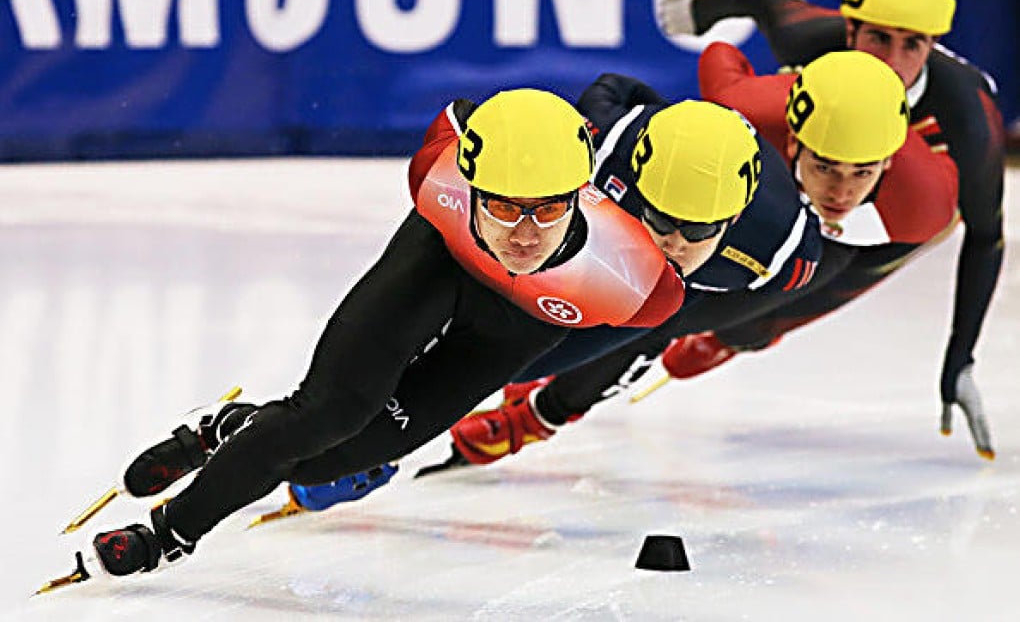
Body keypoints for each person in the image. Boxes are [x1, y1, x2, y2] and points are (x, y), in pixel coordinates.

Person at [64, 89, 690, 581]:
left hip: (509, 331)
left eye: (548, 207)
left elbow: (597, 349)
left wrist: (546, 398)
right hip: (440, 262)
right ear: (469, 183)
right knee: (327, 415)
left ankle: (229, 429)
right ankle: (169, 536)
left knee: (339, 460)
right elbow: (456, 114)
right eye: (502, 206)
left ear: (581, 194)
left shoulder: (636, 282)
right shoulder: (435, 176)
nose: (525, 233)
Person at [253, 87, 825, 516]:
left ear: (735, 220)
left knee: (571, 351)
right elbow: (612, 89)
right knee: (473, 320)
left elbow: (663, 327)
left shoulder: (782, 255)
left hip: (678, 296)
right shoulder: (608, 146)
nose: (672, 242)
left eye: (698, 231)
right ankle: (349, 427)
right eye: (656, 219)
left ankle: (405, 442)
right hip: (583, 255)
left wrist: (545, 413)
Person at [448, 47, 960, 467]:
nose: (840, 190)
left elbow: (843, 281)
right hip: (718, 187)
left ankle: (539, 418)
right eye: (825, 166)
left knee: (658, 320)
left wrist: (739, 334)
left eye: (862, 173)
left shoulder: (917, 207)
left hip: (793, 258)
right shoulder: (743, 106)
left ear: (889, 162)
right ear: (795, 134)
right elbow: (692, 62)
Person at [659, 0, 1005, 457]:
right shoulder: (807, 37)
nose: (891, 60)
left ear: (933, 47)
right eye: (878, 38)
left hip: (906, 200)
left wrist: (961, 358)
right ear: (849, 31)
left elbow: (985, 235)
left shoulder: (968, 117)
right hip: (814, 160)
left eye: (913, 45)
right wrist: (700, 9)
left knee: (764, 312)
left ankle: (742, 335)